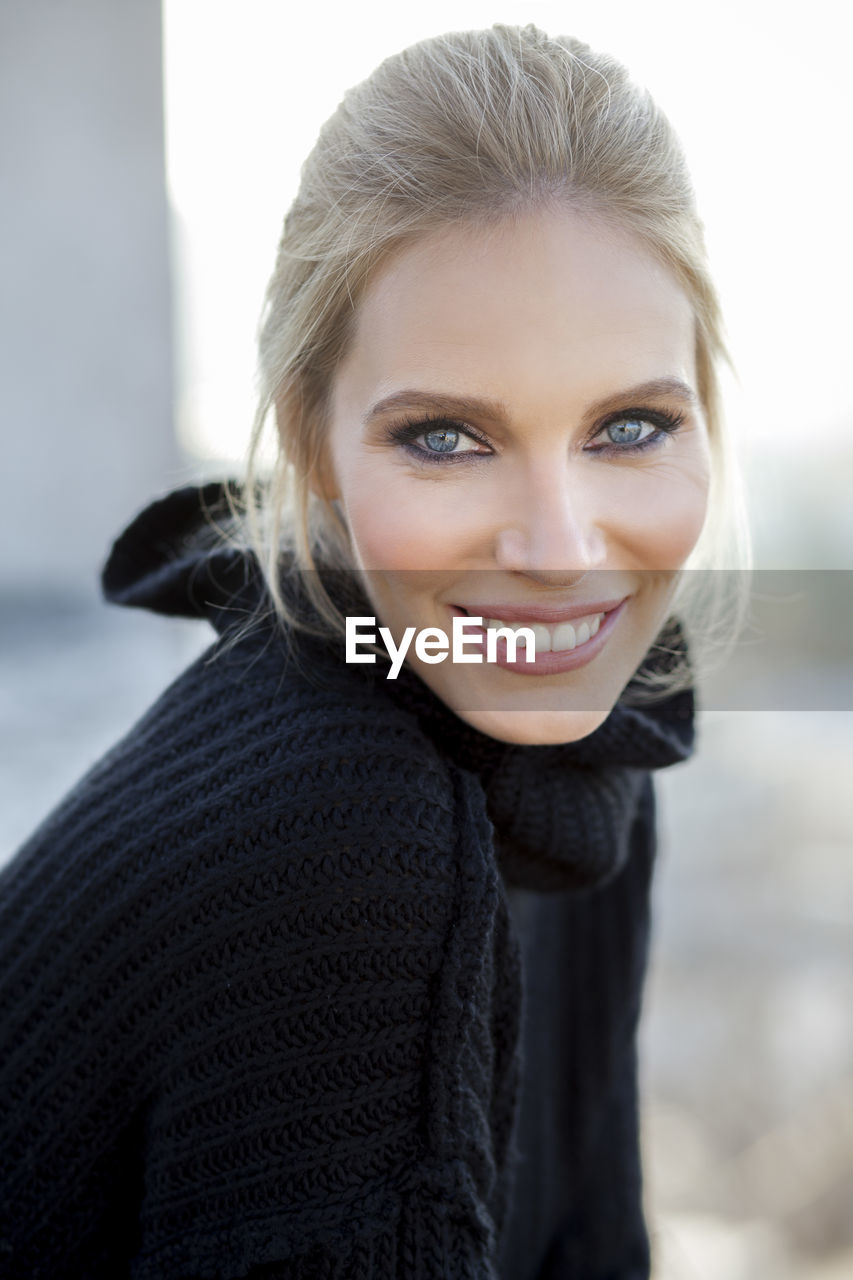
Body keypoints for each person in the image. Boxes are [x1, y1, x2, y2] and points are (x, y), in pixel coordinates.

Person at [0, 24, 749, 1279]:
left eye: (628, 424)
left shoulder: (581, 740)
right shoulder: (347, 842)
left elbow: (587, 1243)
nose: (560, 549)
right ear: (312, 446)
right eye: (447, 437)